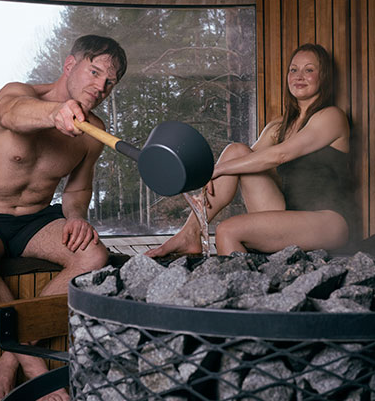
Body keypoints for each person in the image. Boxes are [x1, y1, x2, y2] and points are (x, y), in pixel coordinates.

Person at [0, 35, 127, 401]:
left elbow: (76, 189)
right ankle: (32, 366)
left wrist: (76, 218)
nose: (100, 86)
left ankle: (8, 358)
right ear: (70, 66)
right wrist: (53, 114)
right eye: (94, 72)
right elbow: (11, 113)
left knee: (93, 256)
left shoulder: (92, 131)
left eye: (110, 82)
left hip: (34, 221)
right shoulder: (18, 94)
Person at [147, 43, 354, 258]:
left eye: (309, 70)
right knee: (236, 151)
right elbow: (244, 162)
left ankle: (250, 288)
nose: (299, 76)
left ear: (324, 77)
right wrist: (204, 173)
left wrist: (215, 170)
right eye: (294, 69)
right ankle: (190, 232)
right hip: (286, 213)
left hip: (328, 220)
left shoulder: (332, 117)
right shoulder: (278, 126)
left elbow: (279, 155)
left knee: (227, 230)